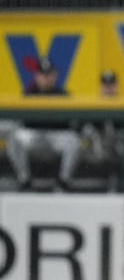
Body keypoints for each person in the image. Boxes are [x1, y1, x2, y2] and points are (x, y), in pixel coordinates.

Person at [7, 57, 82, 191]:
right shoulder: (28, 94)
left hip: (56, 136)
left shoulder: (62, 95)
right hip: (34, 135)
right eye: (42, 74)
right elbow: (22, 122)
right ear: (37, 76)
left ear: (54, 75)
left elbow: (71, 124)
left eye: (49, 74)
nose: (46, 78)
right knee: (14, 138)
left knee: (74, 140)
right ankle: (24, 180)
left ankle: (64, 181)